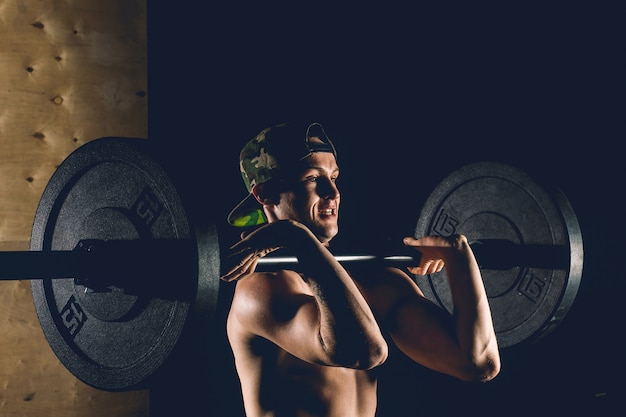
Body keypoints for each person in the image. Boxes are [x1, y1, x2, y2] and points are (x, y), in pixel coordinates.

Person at [220, 121, 500, 417]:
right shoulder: (260, 291)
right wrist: (296, 239)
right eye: (313, 178)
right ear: (264, 195)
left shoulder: (375, 283)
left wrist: (460, 261)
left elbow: (478, 364)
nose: (333, 192)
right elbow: (365, 352)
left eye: (334, 176)